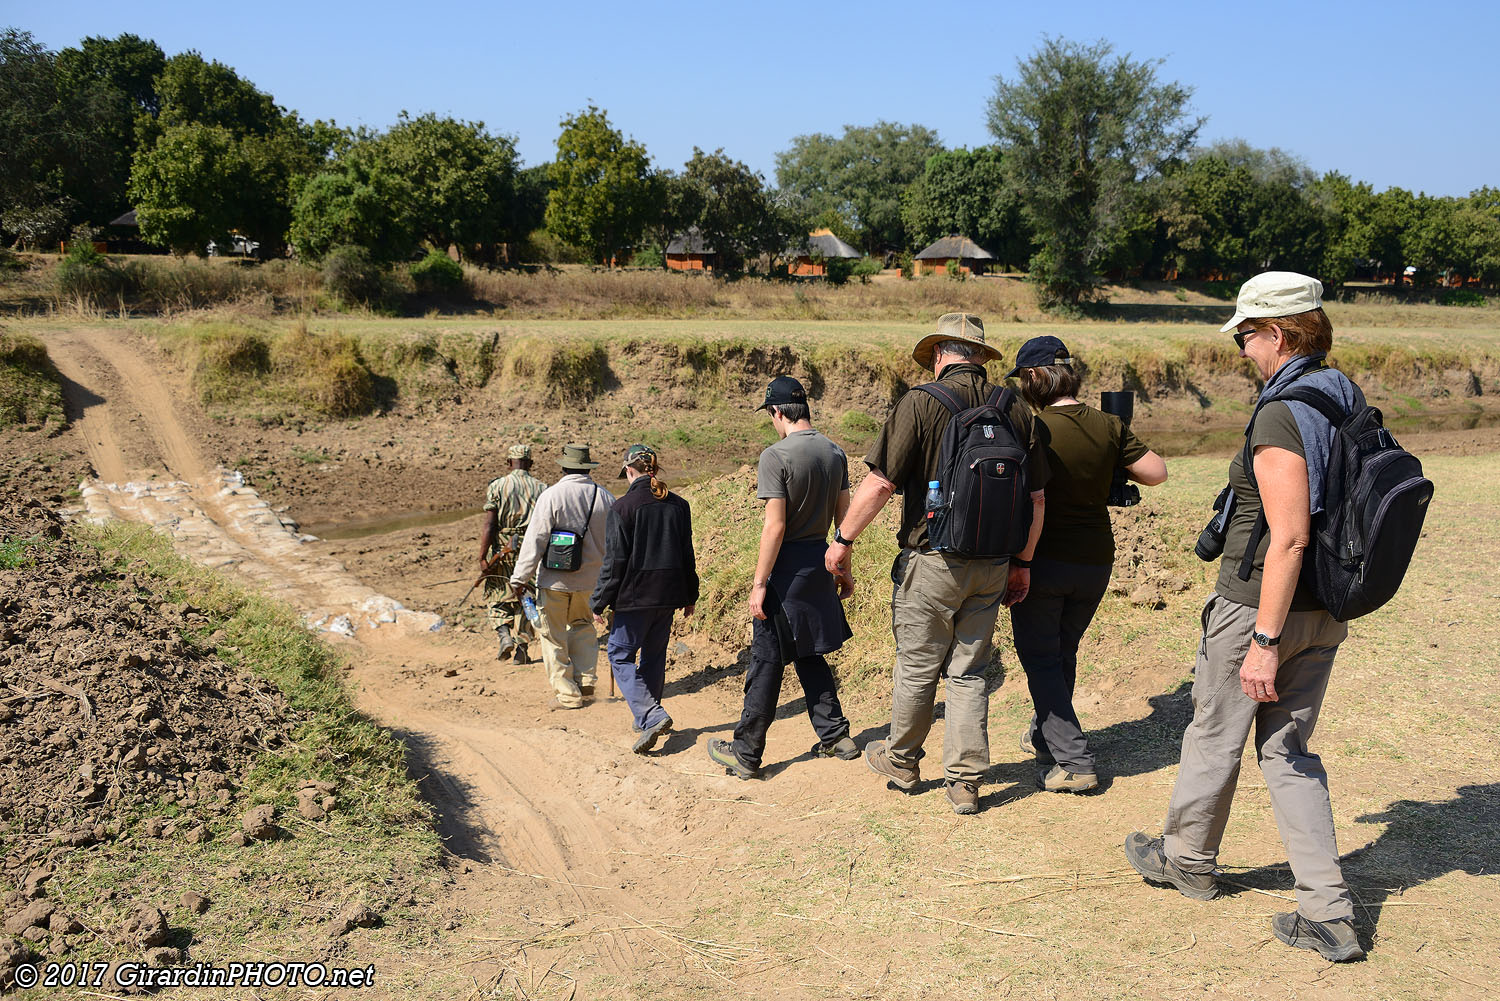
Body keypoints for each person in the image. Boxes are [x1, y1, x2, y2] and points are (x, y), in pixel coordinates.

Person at [1125, 272, 1367, 963]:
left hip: (1263, 605)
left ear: (1279, 334)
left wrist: (1262, 639)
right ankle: (1328, 909)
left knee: (1214, 732)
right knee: (1287, 753)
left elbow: (1287, 534)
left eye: (1246, 334)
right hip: (1325, 607)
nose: (1240, 348)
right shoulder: (1342, 393)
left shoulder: (1281, 413)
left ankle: (1188, 860)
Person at [825, 312, 1050, 816]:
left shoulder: (921, 402)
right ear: (981, 358)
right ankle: (965, 782)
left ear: (939, 355)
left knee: (919, 665)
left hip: (932, 561)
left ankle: (903, 762)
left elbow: (881, 484)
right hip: (993, 564)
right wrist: (1023, 564)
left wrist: (842, 539)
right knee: (970, 673)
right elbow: (1036, 499)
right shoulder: (1014, 408)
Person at [1004, 336, 1168, 793]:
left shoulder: (1033, 428)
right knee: (1062, 651)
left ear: (1035, 378)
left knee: (1040, 657)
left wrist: (1020, 558)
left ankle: (1074, 762)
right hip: (1095, 559)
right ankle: (1045, 734)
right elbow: (1156, 472)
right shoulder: (1110, 424)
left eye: (1022, 379)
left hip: (1043, 559)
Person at [707, 377, 859, 780]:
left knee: (766, 661)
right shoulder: (835, 452)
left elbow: (774, 528)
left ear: (777, 413)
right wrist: (843, 569)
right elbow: (845, 520)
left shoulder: (775, 456)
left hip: (785, 571)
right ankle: (836, 735)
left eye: (770, 416)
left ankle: (745, 752)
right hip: (820, 560)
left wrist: (759, 585)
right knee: (809, 653)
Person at [591, 444, 698, 753]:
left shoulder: (622, 507)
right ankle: (646, 719)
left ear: (629, 471)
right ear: (655, 469)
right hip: (669, 595)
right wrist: (691, 594)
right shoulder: (679, 505)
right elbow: (687, 556)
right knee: (653, 656)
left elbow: (614, 563)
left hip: (635, 597)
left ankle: (650, 715)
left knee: (619, 654)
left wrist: (598, 601)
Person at [511, 443, 614, 711]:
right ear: (588, 467)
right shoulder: (605, 497)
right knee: (583, 626)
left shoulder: (552, 495)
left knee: (553, 635)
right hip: (592, 581)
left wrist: (520, 577)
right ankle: (586, 679)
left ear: (564, 466)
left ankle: (568, 695)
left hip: (554, 581)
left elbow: (536, 539)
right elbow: (614, 543)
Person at [478, 444, 547, 663]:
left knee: (497, 592)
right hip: (532, 549)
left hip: (503, 549)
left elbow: (490, 525)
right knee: (527, 597)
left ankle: (504, 634)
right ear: (531, 464)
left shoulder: (498, 486)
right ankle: (522, 649)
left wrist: (483, 556)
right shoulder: (542, 488)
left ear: (509, 463)